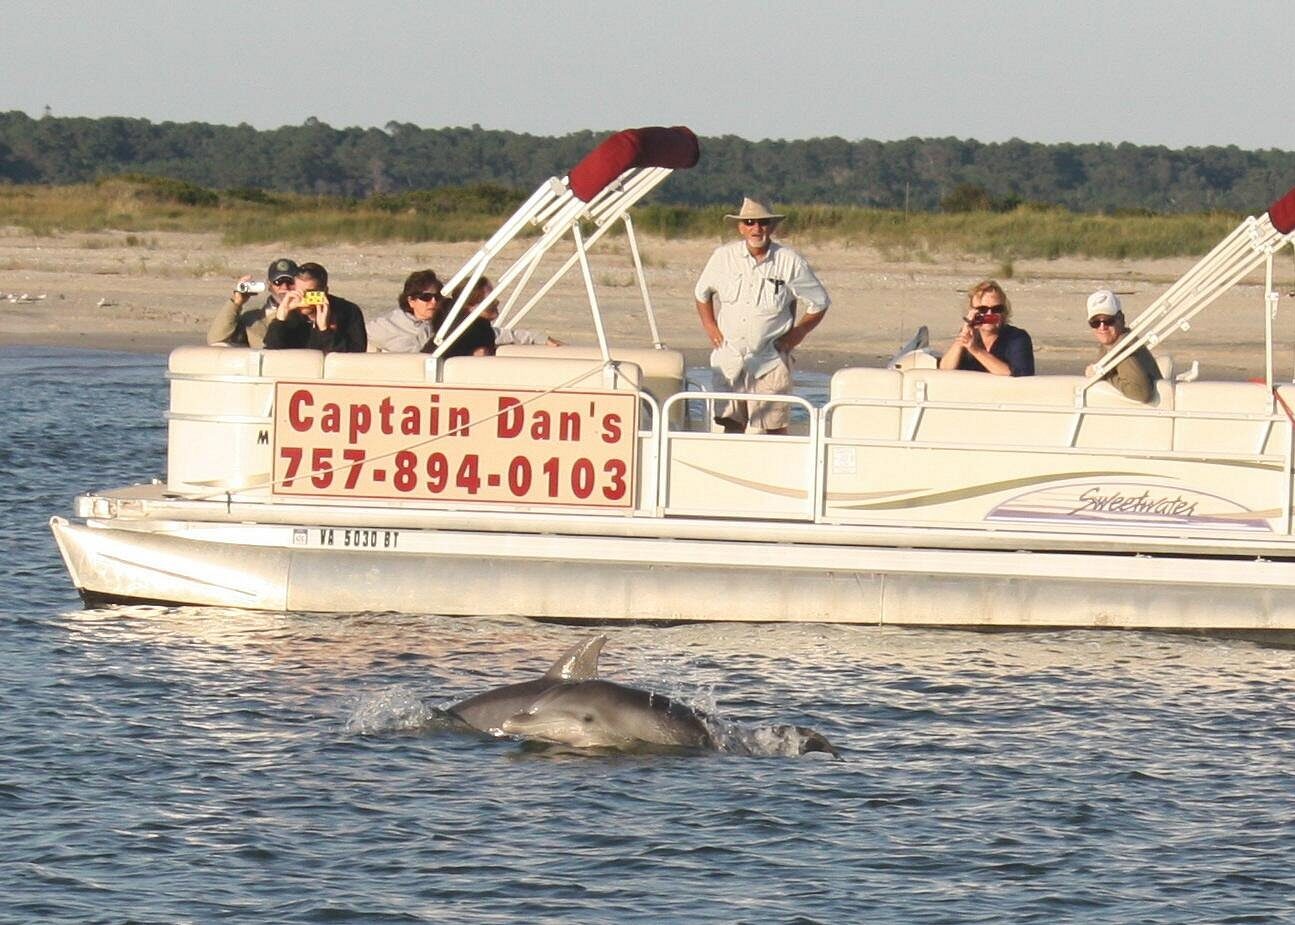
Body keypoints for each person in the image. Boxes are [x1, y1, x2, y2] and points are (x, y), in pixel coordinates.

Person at [694, 197, 830, 434]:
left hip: (770, 359)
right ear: (741, 227)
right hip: (730, 356)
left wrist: (796, 335)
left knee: (774, 429)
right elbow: (701, 294)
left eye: (763, 223)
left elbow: (820, 302)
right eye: (750, 222)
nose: (757, 229)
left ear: (773, 227)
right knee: (731, 425)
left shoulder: (789, 261)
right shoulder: (722, 257)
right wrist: (710, 326)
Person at [263, 261, 367, 353]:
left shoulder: (348, 311)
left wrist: (324, 330)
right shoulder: (291, 314)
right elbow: (271, 351)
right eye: (298, 292)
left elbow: (356, 355)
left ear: (324, 291)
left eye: (310, 293)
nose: (303, 298)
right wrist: (280, 319)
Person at [938, 280, 1034, 376]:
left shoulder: (1017, 338)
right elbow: (945, 369)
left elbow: (1018, 375)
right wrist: (963, 334)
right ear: (972, 312)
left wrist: (976, 350)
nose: (989, 314)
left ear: (1004, 312)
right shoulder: (969, 335)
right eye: (982, 309)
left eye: (997, 309)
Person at [1084, 289, 1160, 402]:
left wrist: (1103, 375)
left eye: (1108, 321)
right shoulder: (1111, 344)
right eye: (1095, 323)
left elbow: (1140, 393)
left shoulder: (1123, 349)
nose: (1102, 327)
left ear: (1121, 319)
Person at [206, 257, 298, 347]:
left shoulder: (306, 314)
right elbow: (216, 340)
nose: (285, 287)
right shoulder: (252, 320)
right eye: (278, 282)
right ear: (269, 285)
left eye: (290, 282)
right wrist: (236, 302)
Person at [465, 276, 562, 347]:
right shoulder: (464, 332)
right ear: (469, 307)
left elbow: (502, 335)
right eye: (490, 301)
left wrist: (540, 338)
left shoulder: (482, 329)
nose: (497, 303)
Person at [419, 273, 496, 359]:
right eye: (491, 300)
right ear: (470, 305)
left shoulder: (483, 327)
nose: (496, 302)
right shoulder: (457, 327)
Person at [366, 269, 443, 352]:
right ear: (411, 301)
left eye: (437, 297)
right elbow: (361, 336)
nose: (433, 302)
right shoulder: (389, 324)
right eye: (426, 297)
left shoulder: (446, 323)